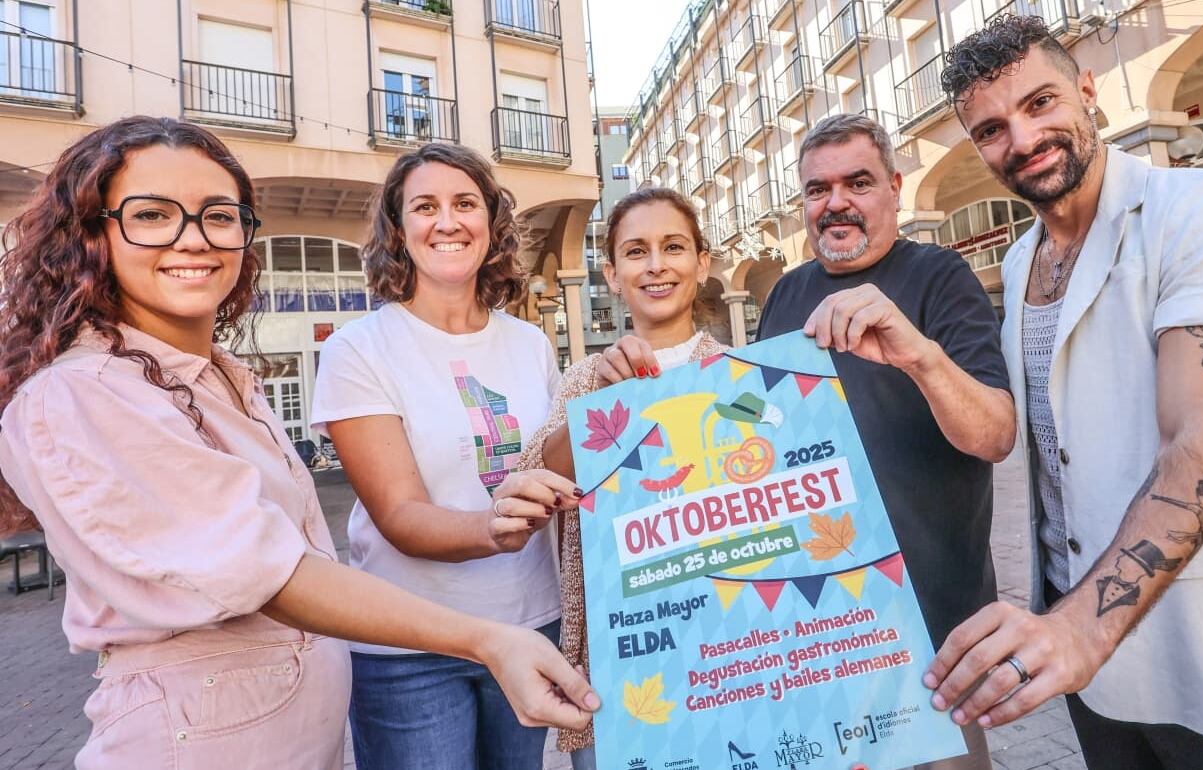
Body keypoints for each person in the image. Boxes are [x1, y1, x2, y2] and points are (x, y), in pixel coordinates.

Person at [0, 117, 597, 770]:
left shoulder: (217, 379)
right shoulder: (87, 391)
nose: (192, 237)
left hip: (293, 728)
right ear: (91, 234)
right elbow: (270, 570)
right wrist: (486, 634)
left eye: (218, 215)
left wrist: (602, 401)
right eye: (151, 214)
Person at [922, 16, 1203, 769]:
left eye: (1040, 103)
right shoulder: (1018, 262)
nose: (1022, 139)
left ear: (1088, 93)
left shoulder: (1200, 208)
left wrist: (1078, 629)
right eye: (991, 129)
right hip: (1098, 673)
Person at [755, 113, 1017, 770]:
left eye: (858, 182)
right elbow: (761, 428)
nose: (836, 202)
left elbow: (995, 435)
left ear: (895, 188)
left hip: (935, 621)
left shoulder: (941, 277)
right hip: (823, 621)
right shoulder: (785, 294)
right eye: (818, 189)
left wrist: (919, 356)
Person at [310, 142, 578, 770]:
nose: (447, 222)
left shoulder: (530, 343)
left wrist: (609, 402)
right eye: (425, 207)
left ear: (491, 221)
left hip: (529, 624)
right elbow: (399, 514)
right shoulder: (359, 349)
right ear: (398, 230)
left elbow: (555, 468)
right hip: (411, 648)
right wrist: (493, 527)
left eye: (465, 203)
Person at [516, 187, 727, 770]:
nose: (656, 265)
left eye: (673, 247)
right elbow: (534, 485)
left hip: (729, 643)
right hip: (621, 652)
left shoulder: (739, 375)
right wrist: (602, 405)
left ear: (702, 263)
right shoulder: (586, 379)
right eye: (636, 252)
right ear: (611, 274)